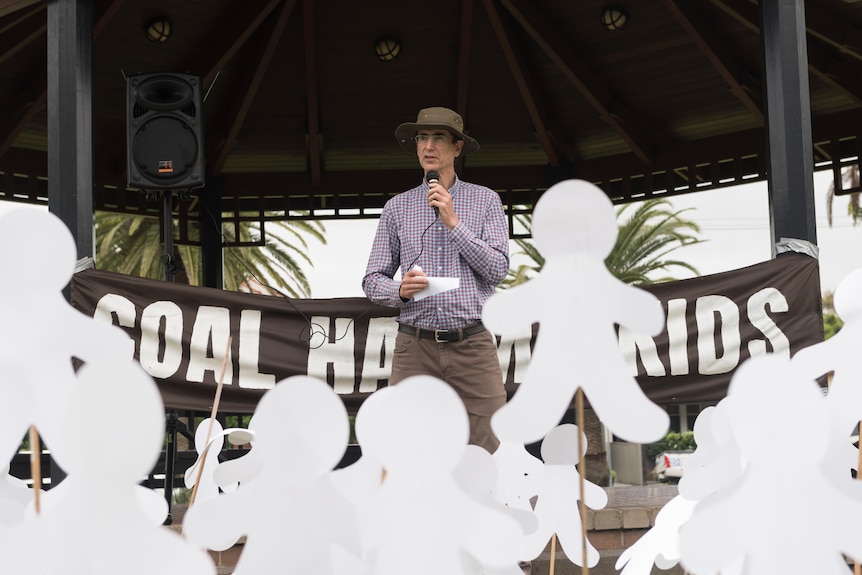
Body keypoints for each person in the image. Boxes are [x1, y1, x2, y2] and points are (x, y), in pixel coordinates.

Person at [362, 107, 510, 453]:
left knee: (491, 444)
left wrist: (454, 223)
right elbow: (372, 279)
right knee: (405, 446)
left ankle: (488, 508)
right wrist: (399, 289)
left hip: (472, 344)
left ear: (457, 148)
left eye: (438, 137)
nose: (428, 145)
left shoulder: (485, 200)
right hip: (415, 347)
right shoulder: (396, 207)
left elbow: (498, 270)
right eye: (422, 138)